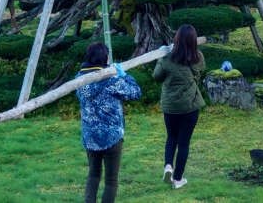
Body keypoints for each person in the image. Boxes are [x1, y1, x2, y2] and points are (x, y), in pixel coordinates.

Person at [76, 42, 141, 203]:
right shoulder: (112, 80)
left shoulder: (79, 80)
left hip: (90, 136)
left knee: (93, 174)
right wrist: (124, 75)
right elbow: (135, 92)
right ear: (104, 58)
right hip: (112, 137)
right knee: (111, 181)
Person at [153, 24, 205, 190]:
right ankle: (177, 179)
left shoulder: (167, 59)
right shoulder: (199, 57)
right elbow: (200, 72)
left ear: (176, 40)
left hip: (171, 107)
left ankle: (168, 165)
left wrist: (161, 57)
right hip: (190, 107)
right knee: (184, 143)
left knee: (171, 138)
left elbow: (156, 76)